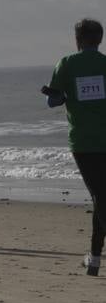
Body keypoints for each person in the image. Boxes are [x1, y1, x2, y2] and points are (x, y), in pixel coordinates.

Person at [44, 18, 106, 276]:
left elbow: (53, 101)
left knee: (101, 197)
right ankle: (93, 259)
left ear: (77, 40)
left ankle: (93, 259)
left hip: (83, 142)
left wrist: (62, 97)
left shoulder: (67, 64)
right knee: (101, 198)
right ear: (100, 39)